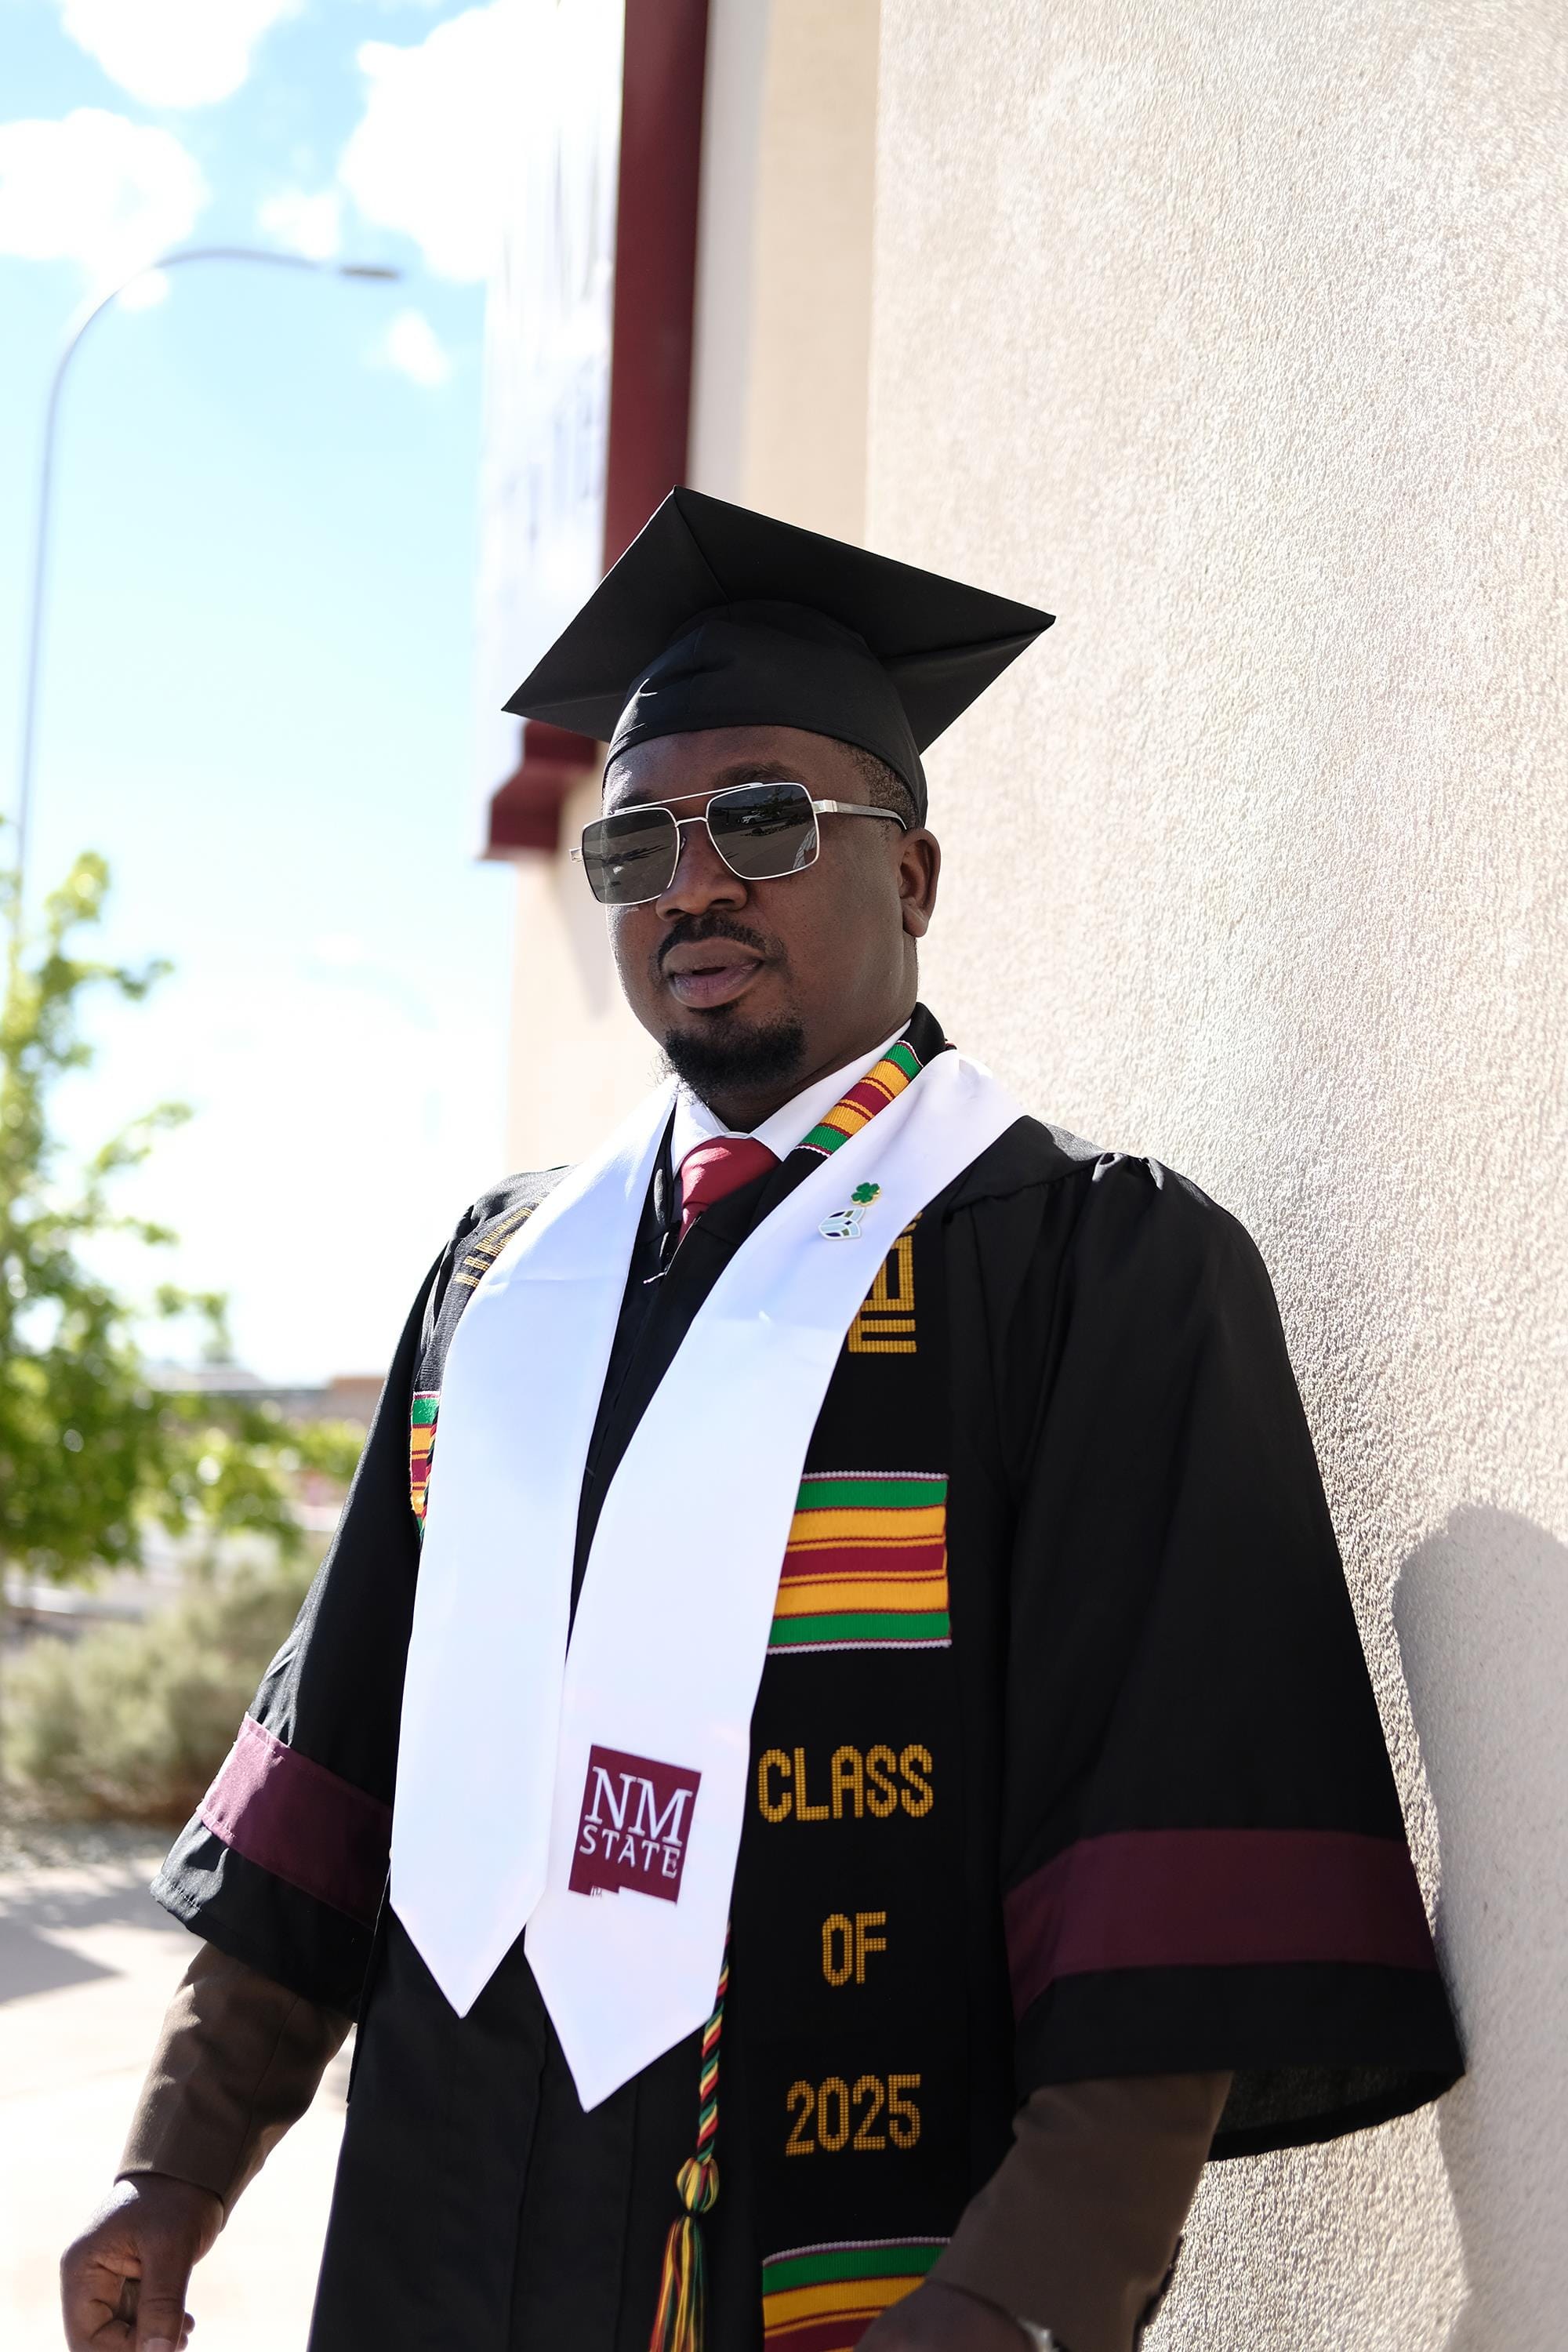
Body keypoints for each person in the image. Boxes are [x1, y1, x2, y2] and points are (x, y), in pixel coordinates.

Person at [62, 490, 1461, 2352]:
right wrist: (176, 2159)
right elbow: (347, 1755)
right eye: (635, 846)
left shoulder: (1087, 1275)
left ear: (912, 875)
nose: (692, 884)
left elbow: (1165, 1854)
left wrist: (1021, 2301)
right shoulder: (501, 1284)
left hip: (843, 2254)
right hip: (441, 2225)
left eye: (762, 821)